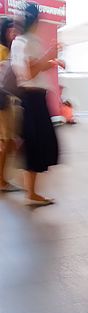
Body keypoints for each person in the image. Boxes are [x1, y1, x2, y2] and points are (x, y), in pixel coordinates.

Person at [11, 2, 63, 206]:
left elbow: (32, 68)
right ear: (36, 19)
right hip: (34, 99)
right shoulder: (28, 41)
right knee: (38, 145)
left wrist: (51, 61)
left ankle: (31, 192)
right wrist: (49, 56)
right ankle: (31, 193)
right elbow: (31, 71)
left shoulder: (19, 41)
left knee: (36, 144)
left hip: (30, 98)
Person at [0, 17, 21, 192]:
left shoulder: (8, 50)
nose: (14, 33)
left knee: (7, 141)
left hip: (5, 99)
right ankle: (1, 181)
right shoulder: (3, 51)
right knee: (6, 141)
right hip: (2, 100)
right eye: (11, 29)